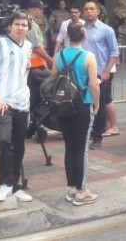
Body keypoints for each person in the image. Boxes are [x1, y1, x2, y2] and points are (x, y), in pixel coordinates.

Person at [0, 11, 34, 202]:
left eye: (24, 25)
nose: (20, 28)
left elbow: (25, 70)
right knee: (3, 141)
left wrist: (23, 91)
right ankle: (5, 182)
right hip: (1, 103)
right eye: (17, 24)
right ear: (10, 26)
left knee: (19, 145)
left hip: (21, 103)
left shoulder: (28, 46)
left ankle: (15, 185)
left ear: (28, 29)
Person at [54, 22, 101, 206]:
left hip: (63, 105)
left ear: (67, 36)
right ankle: (82, 192)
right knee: (81, 148)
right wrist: (97, 103)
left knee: (70, 146)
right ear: (84, 36)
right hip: (82, 104)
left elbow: (55, 76)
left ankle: (72, 187)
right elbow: (93, 84)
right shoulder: (89, 56)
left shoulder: (59, 55)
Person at [83, 1, 120, 149]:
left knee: (100, 103)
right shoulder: (80, 29)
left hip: (101, 73)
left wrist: (106, 72)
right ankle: (89, 132)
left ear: (97, 12)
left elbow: (114, 52)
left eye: (92, 9)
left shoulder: (106, 30)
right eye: (86, 9)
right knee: (87, 103)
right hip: (84, 73)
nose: (89, 11)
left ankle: (98, 136)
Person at [25, 0, 53, 116]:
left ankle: (33, 121)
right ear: (32, 9)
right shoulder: (29, 23)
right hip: (34, 67)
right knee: (35, 97)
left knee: (35, 97)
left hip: (36, 65)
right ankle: (32, 121)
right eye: (40, 9)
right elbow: (36, 48)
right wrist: (50, 60)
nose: (42, 11)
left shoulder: (28, 22)